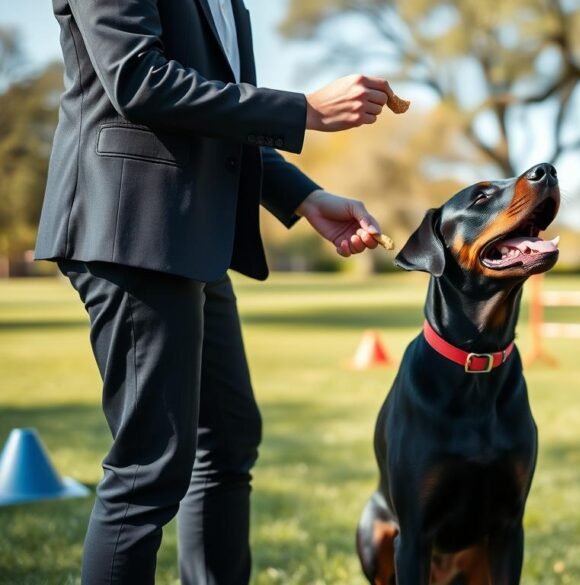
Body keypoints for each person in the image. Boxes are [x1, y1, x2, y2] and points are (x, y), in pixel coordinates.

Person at [33, 1, 392, 583]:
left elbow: (224, 118)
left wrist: (303, 197)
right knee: (147, 471)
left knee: (226, 441)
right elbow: (137, 77)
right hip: (131, 229)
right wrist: (304, 110)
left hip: (195, 237)